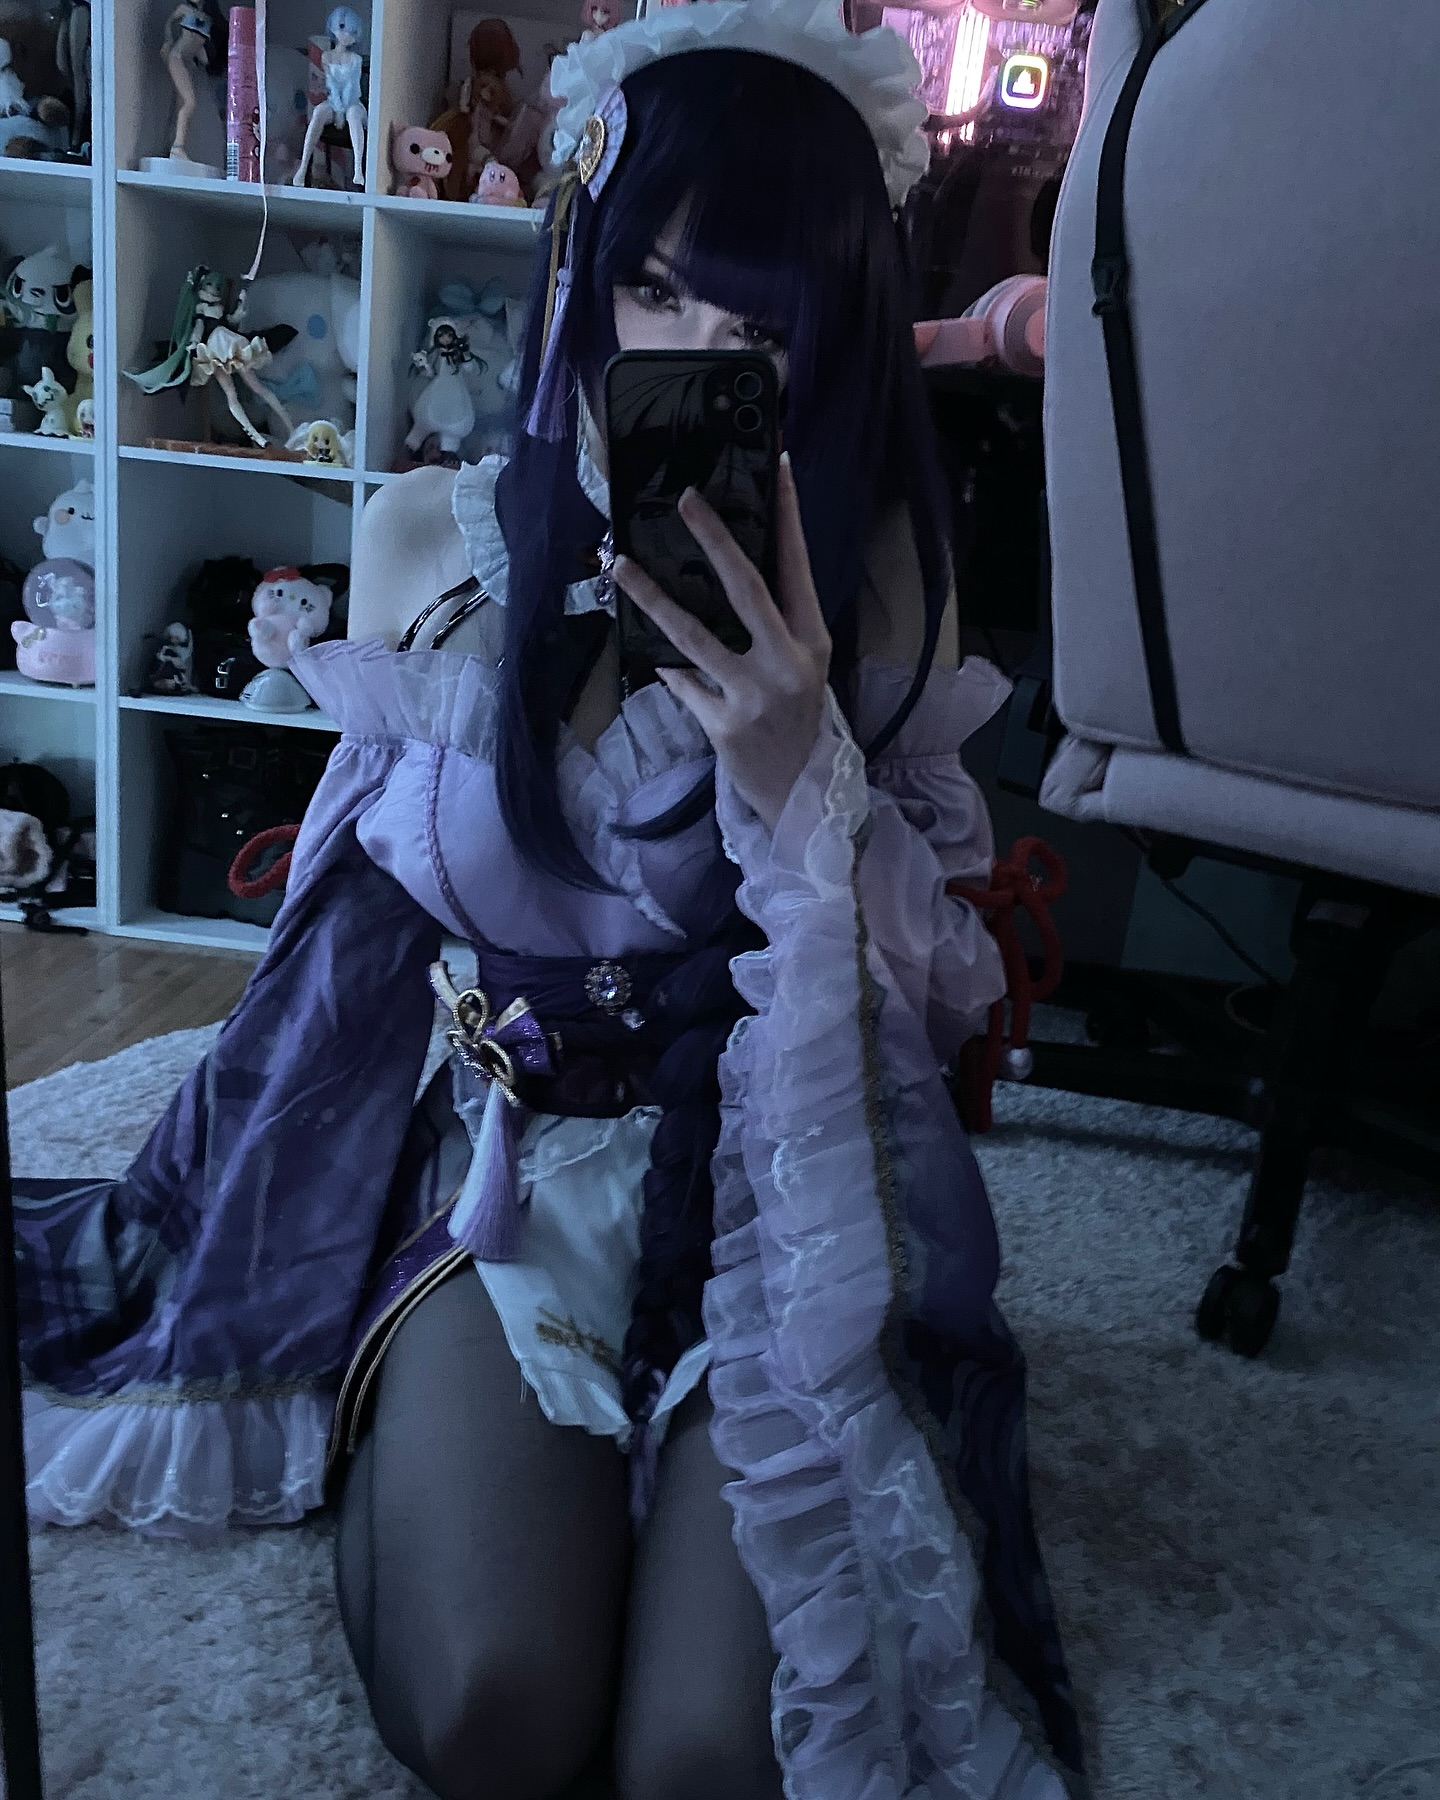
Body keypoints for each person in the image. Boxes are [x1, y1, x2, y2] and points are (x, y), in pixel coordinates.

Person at [13, 2, 1086, 1797]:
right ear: (584, 266)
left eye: (762, 326)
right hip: (504, 1166)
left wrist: (797, 775)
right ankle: (427, 1432)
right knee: (496, 1711)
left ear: (833, 335)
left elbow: (920, 1000)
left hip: (778, 1168)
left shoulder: (887, 586)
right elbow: (357, 935)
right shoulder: (429, 540)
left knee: (706, 1757)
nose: (695, 355)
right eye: (656, 291)